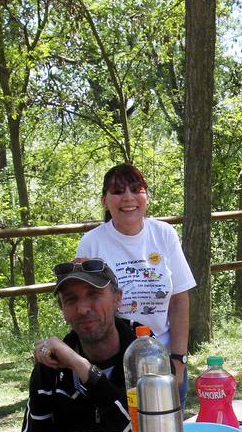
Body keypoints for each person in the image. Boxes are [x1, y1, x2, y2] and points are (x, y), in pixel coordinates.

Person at [75, 163, 194, 392]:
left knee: (167, 428)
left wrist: (179, 360)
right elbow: (85, 305)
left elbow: (179, 298)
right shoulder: (91, 243)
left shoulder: (164, 234)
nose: (128, 198)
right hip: (115, 364)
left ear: (146, 196)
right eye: (118, 192)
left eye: (135, 189)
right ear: (105, 202)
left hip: (164, 360)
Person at [20, 259, 136, 432]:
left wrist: (80, 366)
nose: (83, 309)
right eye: (71, 300)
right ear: (62, 310)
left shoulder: (146, 354)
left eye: (93, 294)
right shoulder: (49, 369)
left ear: (117, 299)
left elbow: (136, 429)